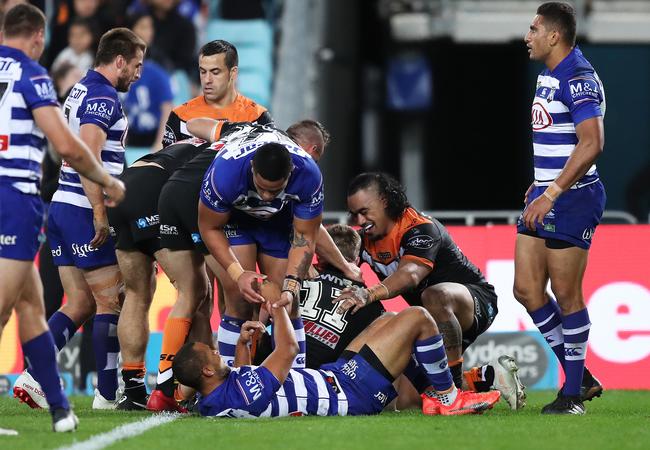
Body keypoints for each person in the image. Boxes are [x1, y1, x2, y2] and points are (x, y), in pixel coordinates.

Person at [147, 121, 360, 412]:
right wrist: (238, 273)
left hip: (277, 223)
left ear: (290, 175)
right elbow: (209, 227)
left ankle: (294, 381)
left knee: (288, 299)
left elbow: (305, 236)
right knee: (238, 298)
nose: (268, 197)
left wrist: (292, 282)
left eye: (276, 190)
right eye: (262, 188)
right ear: (252, 172)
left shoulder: (308, 174)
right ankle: (228, 387)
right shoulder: (226, 172)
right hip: (237, 220)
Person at [0, 3, 124, 432]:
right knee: (105, 299)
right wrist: (106, 190)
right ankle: (108, 394)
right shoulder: (35, 75)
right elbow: (73, 149)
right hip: (24, 199)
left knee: (50, 304)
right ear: (37, 36)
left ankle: (52, 401)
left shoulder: (76, 88)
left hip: (48, 203)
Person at [336, 172, 525, 411]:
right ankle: (487, 377)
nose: (360, 221)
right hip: (432, 322)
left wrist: (369, 294)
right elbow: (343, 266)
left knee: (433, 296)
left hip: (473, 302)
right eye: (355, 215)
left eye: (365, 212)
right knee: (406, 402)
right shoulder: (365, 239)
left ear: (385, 201)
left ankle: (454, 395)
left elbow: (411, 274)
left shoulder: (420, 228)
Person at [172, 281, 502, 417]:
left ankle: (433, 391)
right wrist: (276, 306)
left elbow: (245, 377)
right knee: (419, 318)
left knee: (386, 321)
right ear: (207, 371)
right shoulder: (239, 395)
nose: (218, 350)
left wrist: (244, 346)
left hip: (335, 377)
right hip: (350, 392)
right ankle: (448, 397)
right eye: (212, 353)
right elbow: (286, 351)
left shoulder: (216, 398)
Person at [515, 2, 605, 415]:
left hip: (571, 199)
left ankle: (571, 397)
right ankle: (580, 377)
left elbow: (592, 143)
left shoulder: (578, 77)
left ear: (554, 36)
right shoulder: (548, 74)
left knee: (567, 295)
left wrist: (552, 192)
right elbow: (560, 139)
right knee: (527, 290)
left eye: (534, 29)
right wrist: (540, 183)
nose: (527, 36)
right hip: (546, 193)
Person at [161, 39, 272, 147]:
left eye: (215, 72)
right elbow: (167, 162)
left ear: (233, 73)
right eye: (203, 72)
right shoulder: (180, 116)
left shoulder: (257, 116)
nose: (207, 80)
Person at [123, 12, 174, 149]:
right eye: (142, 27)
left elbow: (167, 108)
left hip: (152, 137)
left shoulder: (160, 67)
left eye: (150, 27)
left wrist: (159, 143)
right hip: (126, 136)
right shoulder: (118, 67)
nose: (148, 32)